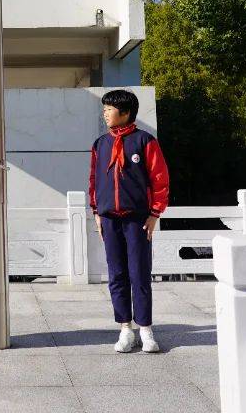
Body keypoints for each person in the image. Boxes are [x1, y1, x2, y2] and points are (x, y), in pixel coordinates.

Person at [89, 89, 169, 353]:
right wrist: (96, 212)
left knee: (139, 274)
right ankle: (125, 329)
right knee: (117, 275)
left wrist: (155, 213)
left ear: (125, 113)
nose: (105, 113)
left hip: (137, 220)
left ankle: (145, 330)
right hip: (109, 219)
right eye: (104, 109)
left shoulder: (145, 142)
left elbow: (160, 179)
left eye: (109, 109)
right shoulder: (100, 144)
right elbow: (94, 181)